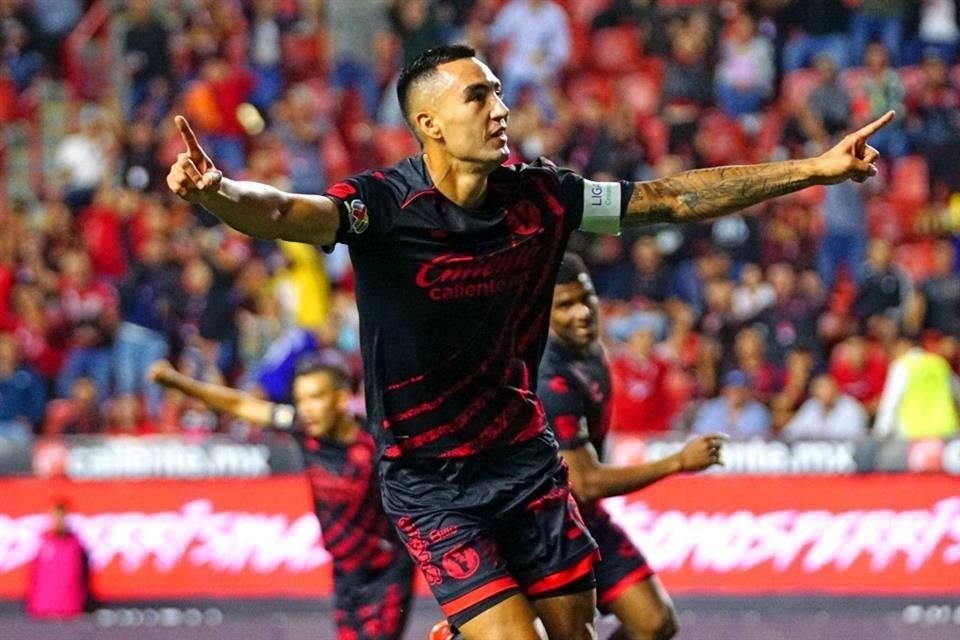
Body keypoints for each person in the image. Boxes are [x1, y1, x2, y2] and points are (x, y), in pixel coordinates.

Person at [166, 43, 893, 640]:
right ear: (431, 123)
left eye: (498, 93)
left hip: (523, 460)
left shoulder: (543, 195)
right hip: (430, 479)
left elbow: (667, 198)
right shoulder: (382, 207)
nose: (501, 109)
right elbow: (289, 213)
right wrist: (219, 194)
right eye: (478, 98)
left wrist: (813, 170)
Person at [147, 357, 415, 640]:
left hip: (386, 571)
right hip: (344, 573)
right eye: (300, 399)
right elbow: (241, 404)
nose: (306, 409)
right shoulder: (301, 427)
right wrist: (177, 382)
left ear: (340, 399)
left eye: (315, 397)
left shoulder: (375, 439)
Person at [537, 253, 724, 639]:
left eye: (585, 299)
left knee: (654, 623)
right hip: (543, 530)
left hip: (585, 518)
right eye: (564, 306)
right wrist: (677, 462)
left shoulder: (590, 352)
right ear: (542, 310)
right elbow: (583, 481)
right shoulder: (549, 375)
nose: (581, 313)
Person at [26, 501, 89, 619]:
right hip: (43, 610)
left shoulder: (75, 545)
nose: (58, 521)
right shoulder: (42, 542)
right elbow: (34, 576)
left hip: (70, 609)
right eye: (55, 517)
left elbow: (82, 576)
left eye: (61, 517)